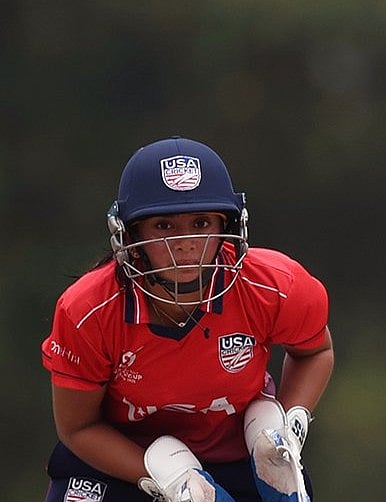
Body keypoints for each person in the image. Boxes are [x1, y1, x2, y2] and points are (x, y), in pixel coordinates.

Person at [41, 136, 334, 501]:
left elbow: (314, 351)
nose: (186, 243)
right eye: (164, 226)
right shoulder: (87, 310)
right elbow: (79, 427)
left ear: (227, 225)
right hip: (122, 457)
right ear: (129, 234)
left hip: (236, 457)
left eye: (201, 221)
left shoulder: (275, 285)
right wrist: (165, 473)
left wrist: (290, 424)